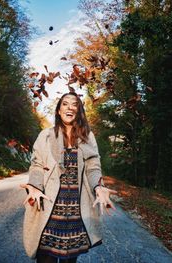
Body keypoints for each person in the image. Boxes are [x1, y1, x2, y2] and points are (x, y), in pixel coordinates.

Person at [21, 92, 117, 263]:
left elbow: (93, 166)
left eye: (74, 104)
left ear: (79, 111)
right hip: (50, 208)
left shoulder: (87, 137)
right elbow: (36, 164)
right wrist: (35, 185)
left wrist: (98, 186)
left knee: (69, 260)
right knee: (45, 259)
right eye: (65, 104)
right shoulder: (46, 135)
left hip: (75, 211)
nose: (70, 107)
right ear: (59, 110)